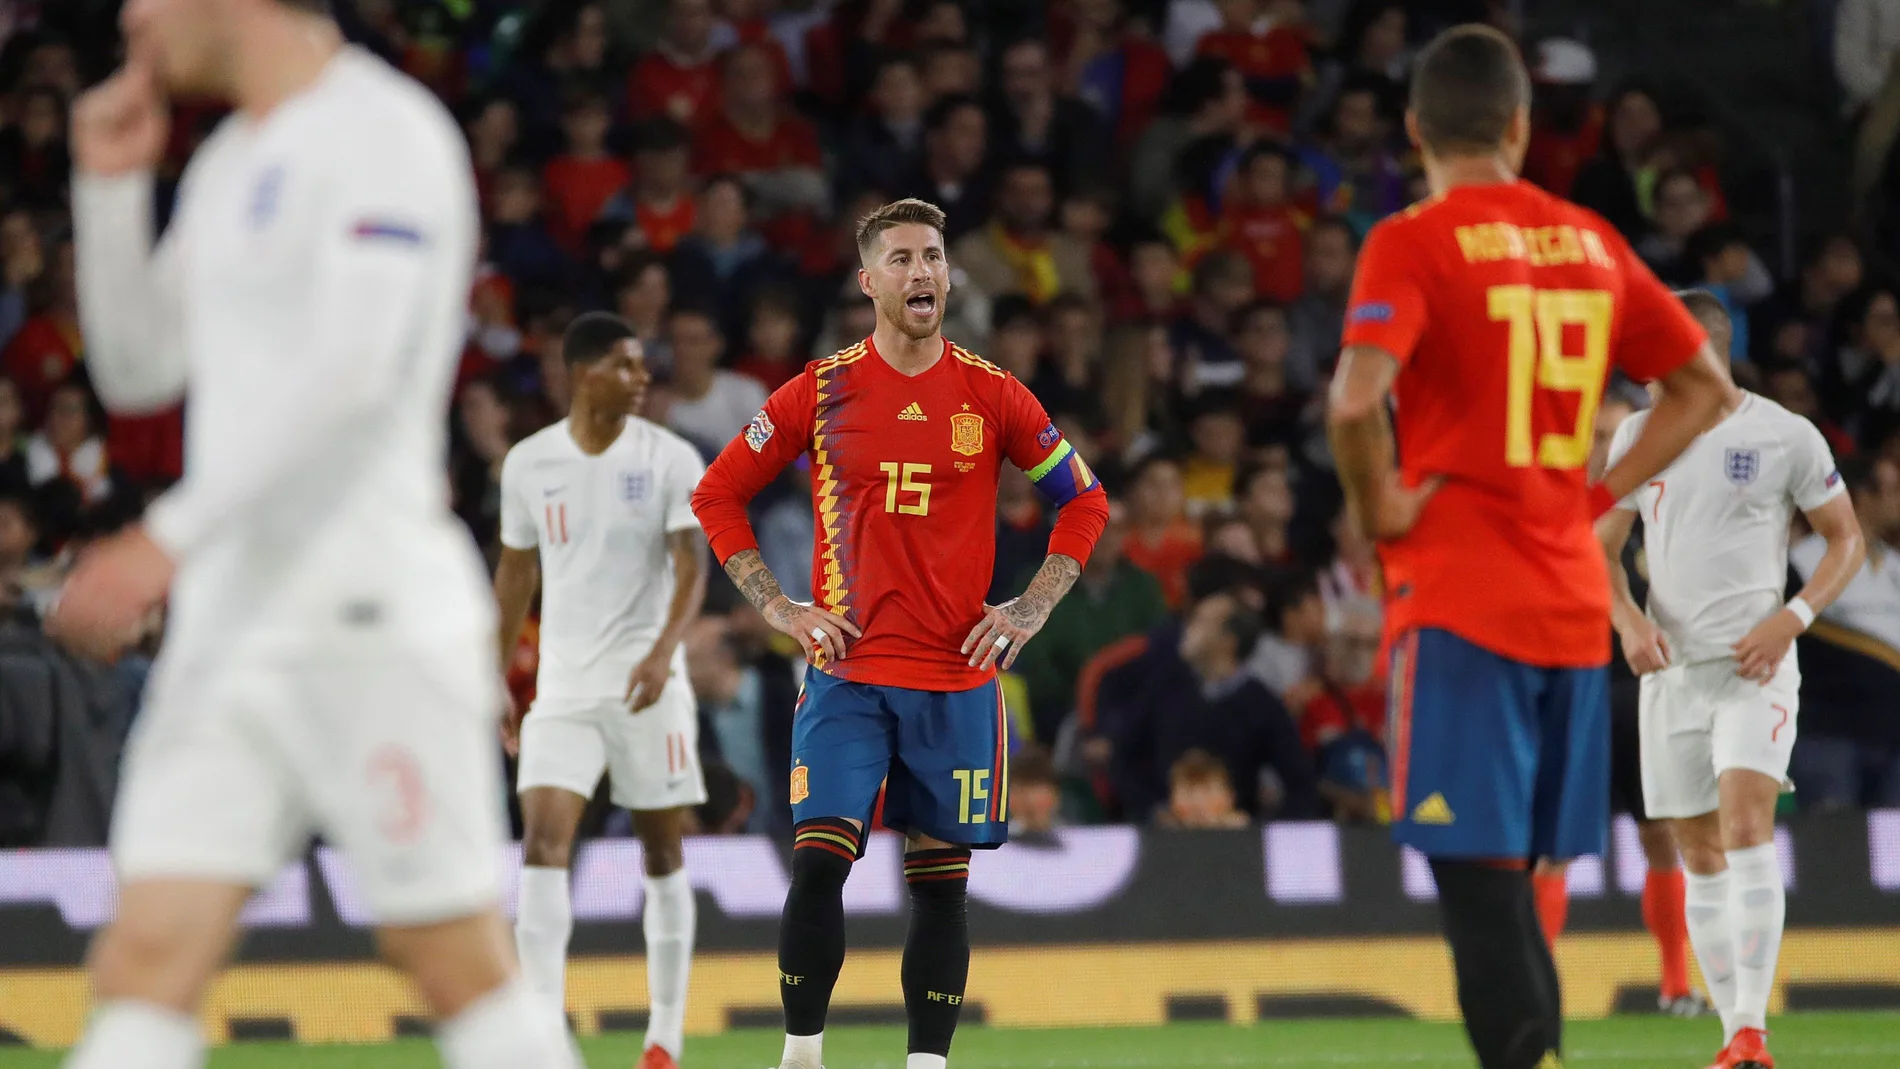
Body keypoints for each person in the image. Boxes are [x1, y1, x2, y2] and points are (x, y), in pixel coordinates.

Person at [52, 1, 582, 1067]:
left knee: (448, 956)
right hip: (228, 625)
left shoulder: (384, 135)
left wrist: (171, 533)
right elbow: (137, 367)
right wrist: (108, 188)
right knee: (147, 953)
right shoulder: (229, 160)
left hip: (368, 611)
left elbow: (352, 372)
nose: (131, 13)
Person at [1326, 26, 1730, 1069]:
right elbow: (1705, 392)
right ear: (1518, 125)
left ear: (1414, 129)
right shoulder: (1591, 239)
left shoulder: (1411, 240)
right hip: (1566, 609)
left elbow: (1353, 400)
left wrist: (1379, 509)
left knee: (1477, 879)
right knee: (1512, 875)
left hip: (1463, 601)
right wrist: (1592, 492)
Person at [690, 197, 1108, 1069]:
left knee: (941, 889)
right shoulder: (821, 388)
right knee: (818, 864)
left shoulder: (993, 394)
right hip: (851, 672)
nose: (923, 272)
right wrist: (781, 607)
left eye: (933, 257)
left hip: (957, 681)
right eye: (903, 259)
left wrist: (1029, 607)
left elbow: (1086, 498)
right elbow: (717, 493)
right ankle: (800, 1056)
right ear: (868, 281)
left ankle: (926, 1065)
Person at [1599, 289, 1864, 1069]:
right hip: (1671, 673)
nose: (1645, 376)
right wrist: (1626, 619)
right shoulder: (1639, 436)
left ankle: (1752, 1028)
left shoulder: (1783, 435)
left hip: (1757, 666)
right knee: (1697, 851)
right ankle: (1730, 1038)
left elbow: (1845, 538)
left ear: (1701, 352)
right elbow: (1597, 543)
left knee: (1746, 829)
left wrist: (1795, 617)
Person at [493, 313, 710, 1069]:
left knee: (662, 851)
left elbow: (693, 565)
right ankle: (545, 1036)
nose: (642, 376)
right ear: (584, 373)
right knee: (543, 843)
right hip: (563, 689)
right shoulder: (528, 463)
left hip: (651, 688)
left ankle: (665, 1034)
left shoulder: (671, 459)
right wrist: (495, 673)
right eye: (626, 364)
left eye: (644, 364)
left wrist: (661, 654)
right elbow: (516, 570)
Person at [1532, 387, 1709, 1019]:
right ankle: (1538, 987)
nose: (1607, 447)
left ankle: (1675, 983)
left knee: (1662, 835)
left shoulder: (1654, 508)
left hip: (1644, 693)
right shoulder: (1550, 515)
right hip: (1573, 689)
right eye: (1597, 436)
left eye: (1617, 435)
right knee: (1554, 846)